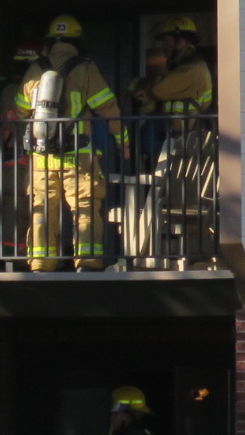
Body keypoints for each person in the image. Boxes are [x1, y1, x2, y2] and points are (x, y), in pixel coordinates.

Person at [14, 14, 121, 271]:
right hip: (78, 154)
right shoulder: (85, 69)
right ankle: (88, 262)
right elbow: (106, 107)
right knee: (84, 207)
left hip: (42, 155)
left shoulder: (35, 68)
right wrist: (122, 138)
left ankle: (41, 262)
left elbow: (20, 109)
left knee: (42, 209)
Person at [130, 15, 215, 117]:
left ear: (180, 42)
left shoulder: (194, 69)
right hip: (174, 130)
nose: (162, 46)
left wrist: (139, 85)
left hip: (188, 130)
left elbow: (159, 90)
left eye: (166, 41)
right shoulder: (181, 66)